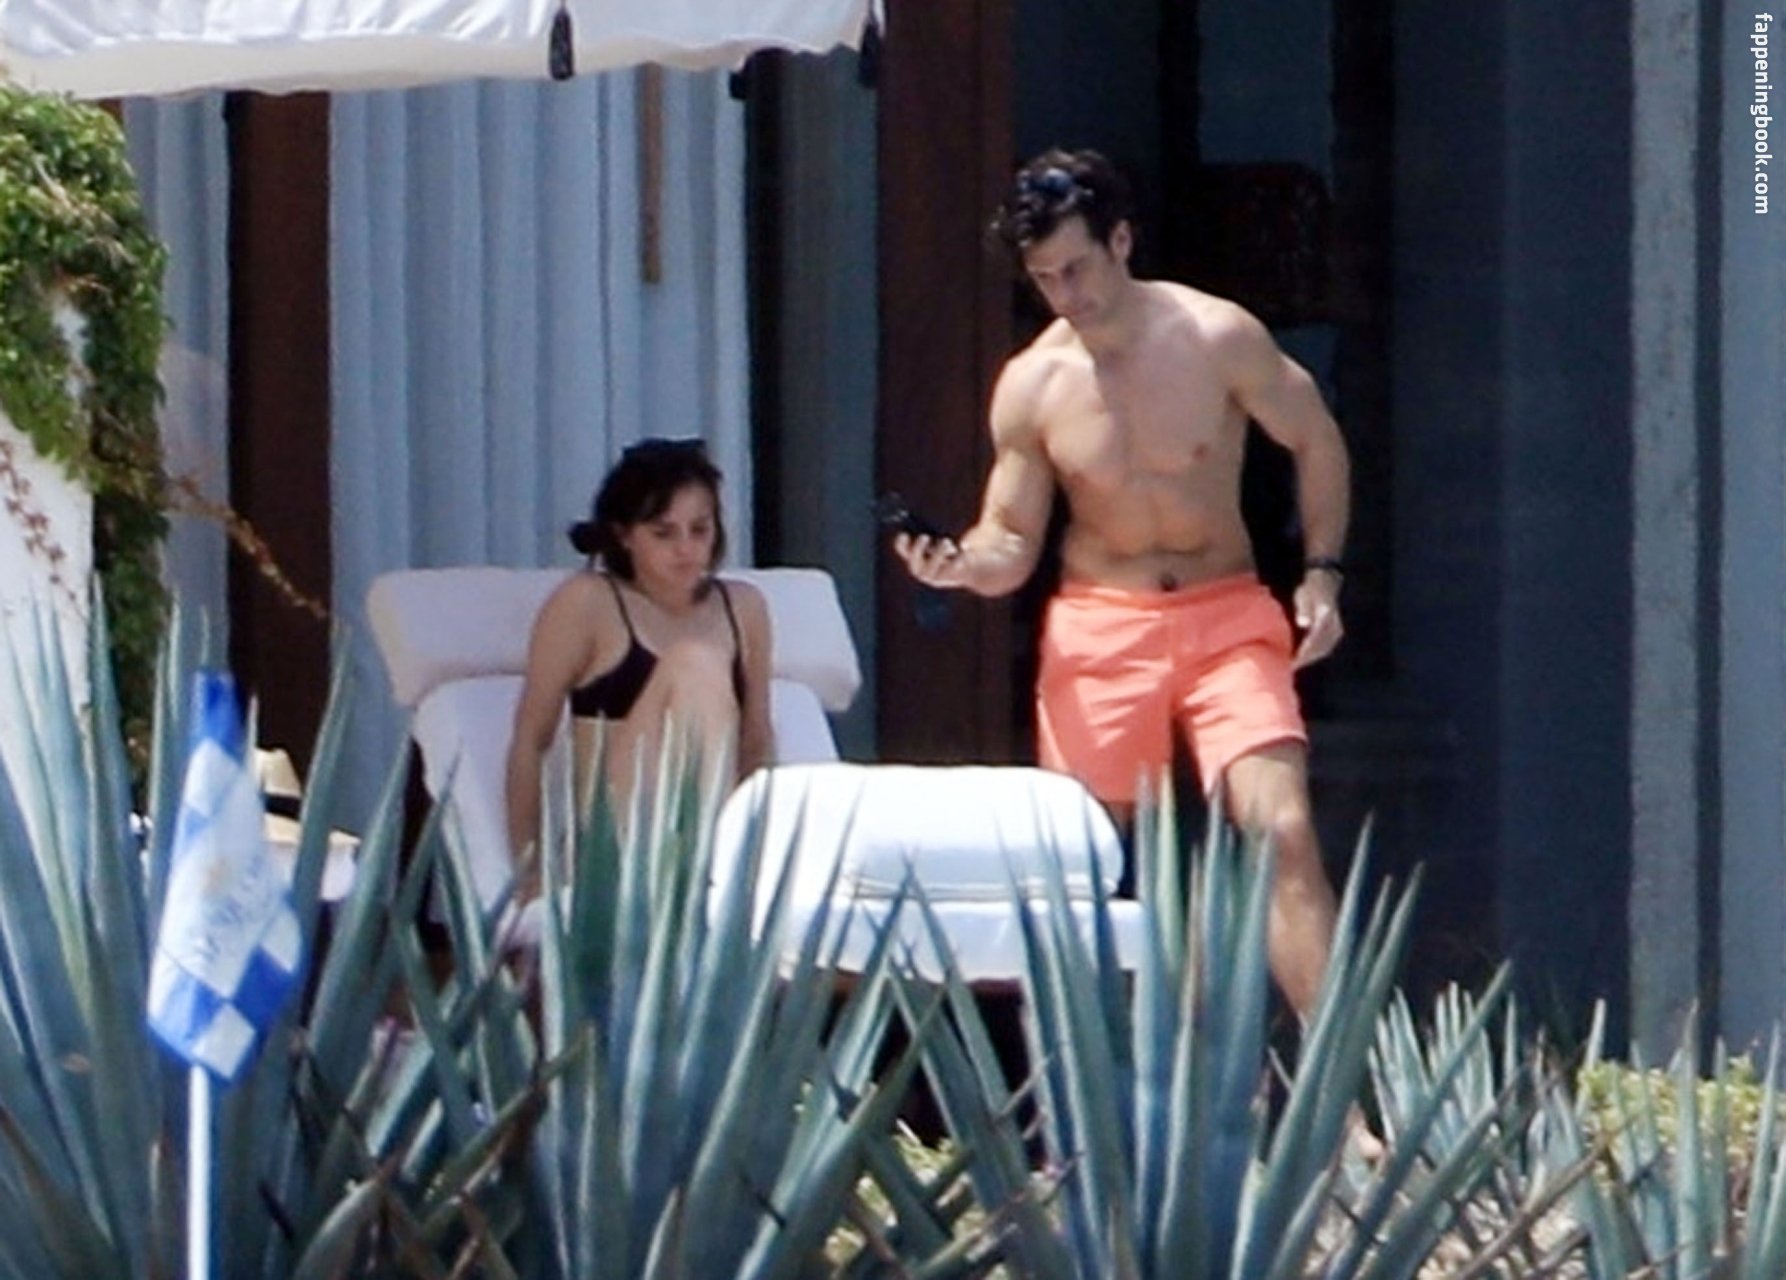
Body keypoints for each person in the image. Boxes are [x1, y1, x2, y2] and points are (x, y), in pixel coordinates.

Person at [893, 148, 1350, 1024]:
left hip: (1224, 612)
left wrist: (1322, 572)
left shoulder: (1215, 336)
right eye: (1044, 278)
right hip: (1102, 625)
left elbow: (1315, 438)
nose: (1066, 293)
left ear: (1122, 242)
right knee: (1085, 864)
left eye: (1077, 267)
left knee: (1283, 831)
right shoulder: (1033, 382)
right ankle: (1098, 1089)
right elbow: (1010, 539)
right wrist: (959, 565)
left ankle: (1343, 1086)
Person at [505, 438, 774, 888]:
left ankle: (717, 869)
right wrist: (527, 873)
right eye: (663, 533)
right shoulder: (587, 603)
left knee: (701, 667)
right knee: (693, 662)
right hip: (616, 841)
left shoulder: (745, 608)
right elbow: (530, 740)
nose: (686, 549)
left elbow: (756, 743)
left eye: (700, 530)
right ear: (624, 535)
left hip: (718, 836)